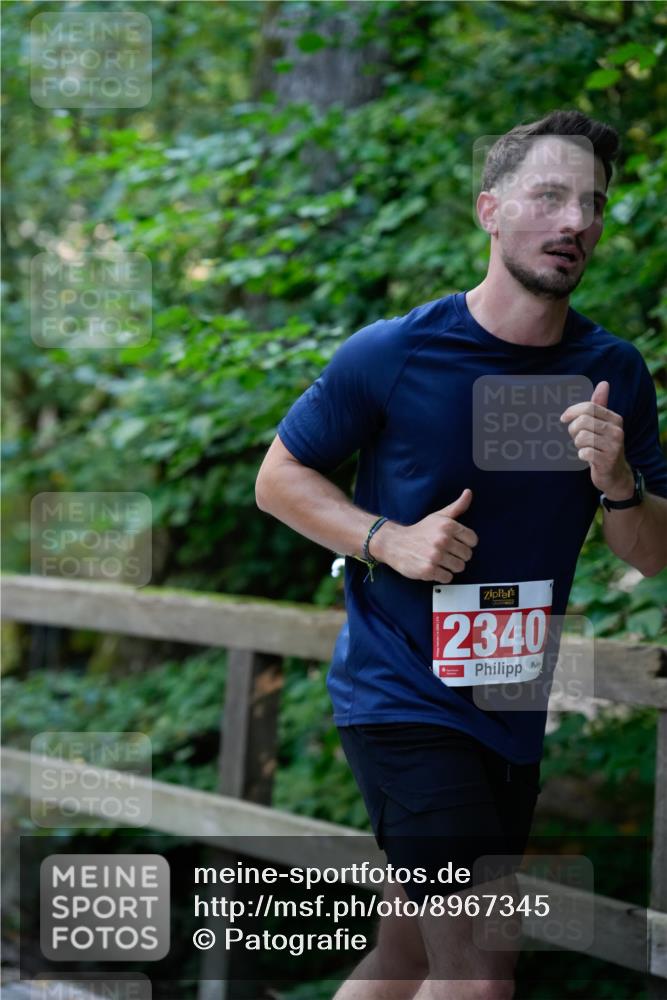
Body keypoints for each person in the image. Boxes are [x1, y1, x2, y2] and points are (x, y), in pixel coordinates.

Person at [254, 109, 667, 1000]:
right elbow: (279, 477)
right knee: (478, 974)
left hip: (509, 707)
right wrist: (386, 539)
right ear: (489, 209)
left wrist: (619, 480)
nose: (574, 222)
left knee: (407, 957)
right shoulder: (397, 353)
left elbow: (654, 551)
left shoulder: (613, 372)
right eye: (548, 196)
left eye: (590, 204)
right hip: (400, 697)